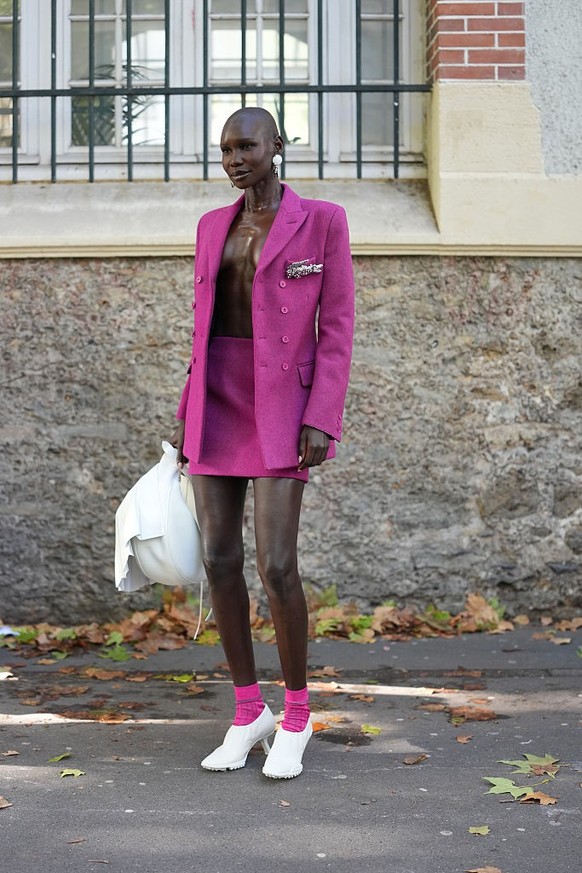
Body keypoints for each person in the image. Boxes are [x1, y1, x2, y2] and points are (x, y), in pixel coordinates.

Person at [172, 107, 354, 779]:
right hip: (217, 397)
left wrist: (322, 416)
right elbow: (201, 326)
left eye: (246, 145)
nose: (234, 158)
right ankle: (249, 711)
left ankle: (298, 714)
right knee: (220, 557)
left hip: (284, 406)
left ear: (278, 145)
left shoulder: (323, 221)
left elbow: (336, 328)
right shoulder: (210, 226)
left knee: (278, 563)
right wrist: (186, 406)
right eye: (224, 149)